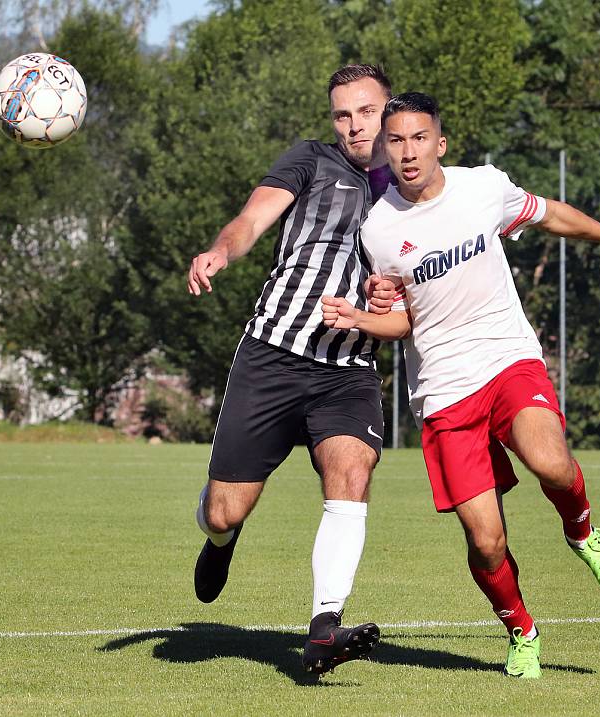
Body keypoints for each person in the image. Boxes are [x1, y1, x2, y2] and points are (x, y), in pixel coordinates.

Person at [322, 92, 600, 679]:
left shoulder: (483, 186)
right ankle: (521, 630)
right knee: (485, 541)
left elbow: (551, 214)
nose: (407, 153)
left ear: (441, 143)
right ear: (385, 147)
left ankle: (583, 530)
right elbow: (404, 316)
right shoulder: (378, 228)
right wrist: (362, 318)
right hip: (441, 389)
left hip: (508, 359)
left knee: (551, 463)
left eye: (418, 139)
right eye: (396, 141)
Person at [187, 64, 397, 675]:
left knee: (351, 473)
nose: (356, 126)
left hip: (347, 371)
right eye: (343, 115)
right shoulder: (309, 160)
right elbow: (253, 219)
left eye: (367, 111)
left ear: (390, 112)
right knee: (225, 509)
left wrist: (383, 303)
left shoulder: (409, 192)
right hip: (272, 357)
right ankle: (220, 539)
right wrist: (221, 249)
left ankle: (324, 628)